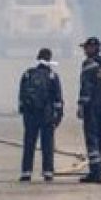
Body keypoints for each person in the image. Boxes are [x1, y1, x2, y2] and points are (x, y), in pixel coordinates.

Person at [18, 48, 64, 182]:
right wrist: (58, 116)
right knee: (47, 144)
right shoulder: (52, 76)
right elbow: (58, 98)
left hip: (30, 114)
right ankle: (48, 171)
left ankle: (26, 171)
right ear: (49, 59)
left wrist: (24, 112)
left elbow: (21, 96)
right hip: (46, 114)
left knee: (29, 143)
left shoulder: (27, 74)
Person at [76, 36, 101, 183]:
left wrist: (81, 105)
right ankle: (99, 168)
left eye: (86, 47)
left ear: (93, 48)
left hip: (92, 107)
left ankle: (96, 172)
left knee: (92, 139)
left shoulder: (88, 65)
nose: (85, 50)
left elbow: (86, 87)